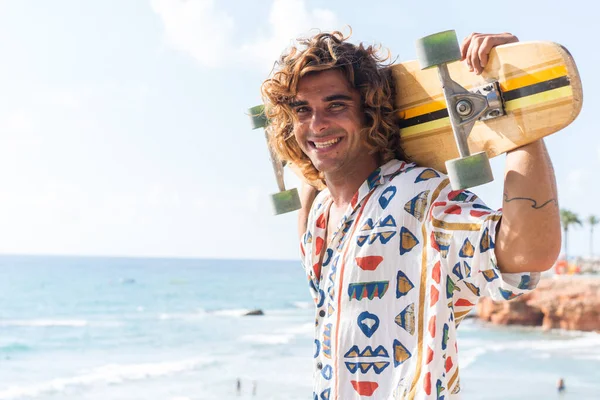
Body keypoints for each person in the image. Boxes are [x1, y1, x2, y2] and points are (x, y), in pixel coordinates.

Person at [260, 29, 561, 399]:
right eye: (302, 110)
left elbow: (526, 257)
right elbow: (310, 173)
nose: (317, 123)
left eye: (336, 105)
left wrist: (518, 106)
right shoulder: (320, 215)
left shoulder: (419, 196)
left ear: (370, 114)